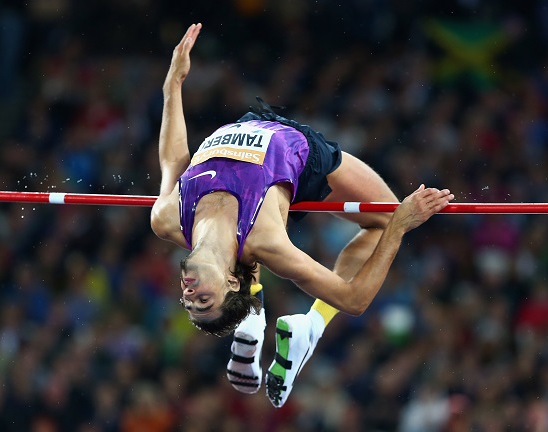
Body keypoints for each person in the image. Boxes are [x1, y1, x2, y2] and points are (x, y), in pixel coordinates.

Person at [150, 23, 455, 408]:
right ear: (229, 282)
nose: (190, 295)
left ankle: (254, 321)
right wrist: (400, 223)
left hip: (247, 123)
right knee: (382, 217)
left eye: (188, 301)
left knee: (230, 246)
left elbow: (174, 158)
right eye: (204, 301)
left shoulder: (167, 218)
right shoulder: (266, 241)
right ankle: (309, 327)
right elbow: (354, 299)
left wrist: (173, 85)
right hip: (300, 153)